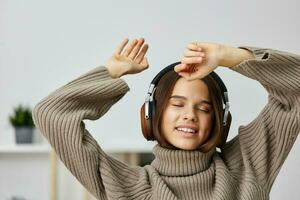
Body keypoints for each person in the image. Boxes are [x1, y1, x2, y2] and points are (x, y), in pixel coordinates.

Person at [32, 37, 300, 200]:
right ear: (152, 115)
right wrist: (111, 72)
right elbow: (52, 114)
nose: (190, 115)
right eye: (177, 104)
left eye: (204, 108)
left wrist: (228, 56)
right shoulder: (128, 188)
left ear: (220, 120)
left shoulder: (248, 166)